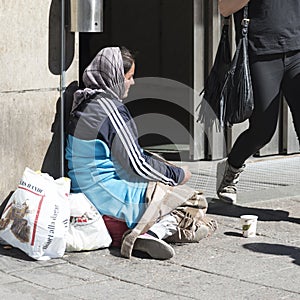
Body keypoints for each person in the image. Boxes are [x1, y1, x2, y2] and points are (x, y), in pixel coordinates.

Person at [65, 46, 217, 260]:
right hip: (108, 197)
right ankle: (149, 233)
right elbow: (136, 163)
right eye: (129, 77)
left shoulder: (83, 102)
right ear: (116, 78)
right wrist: (178, 176)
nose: (132, 83)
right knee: (192, 200)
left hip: (85, 193)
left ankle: (160, 229)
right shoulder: (108, 109)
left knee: (168, 188)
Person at [216, 0, 300, 204]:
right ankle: (232, 167)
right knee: (262, 130)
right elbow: (224, 8)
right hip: (261, 51)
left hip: (297, 49)